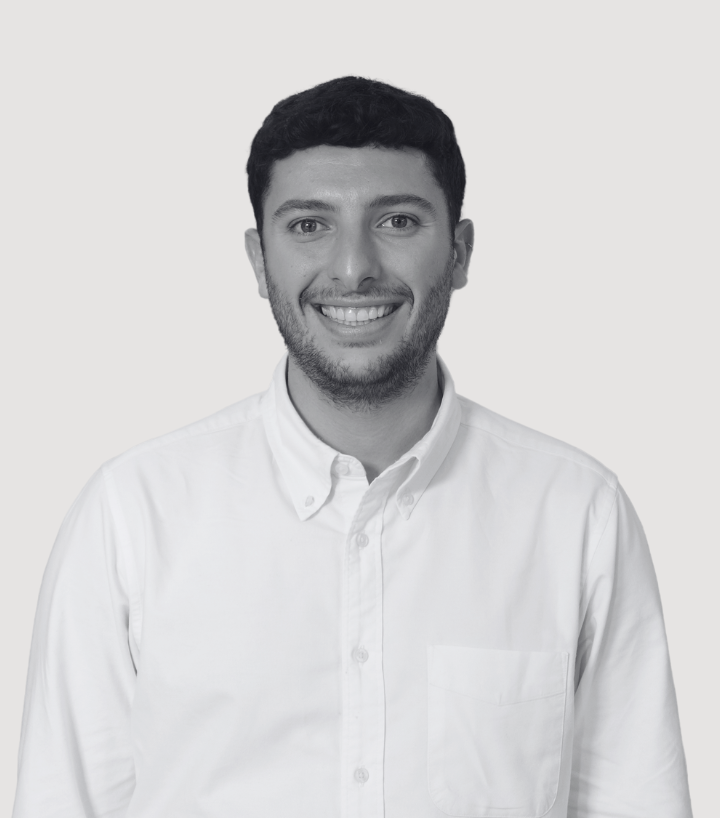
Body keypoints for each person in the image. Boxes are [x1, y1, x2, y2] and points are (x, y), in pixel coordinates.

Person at [13, 76, 692, 818]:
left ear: (461, 252)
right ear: (258, 259)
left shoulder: (577, 514)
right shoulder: (133, 515)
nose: (352, 268)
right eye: (309, 225)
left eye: (397, 221)